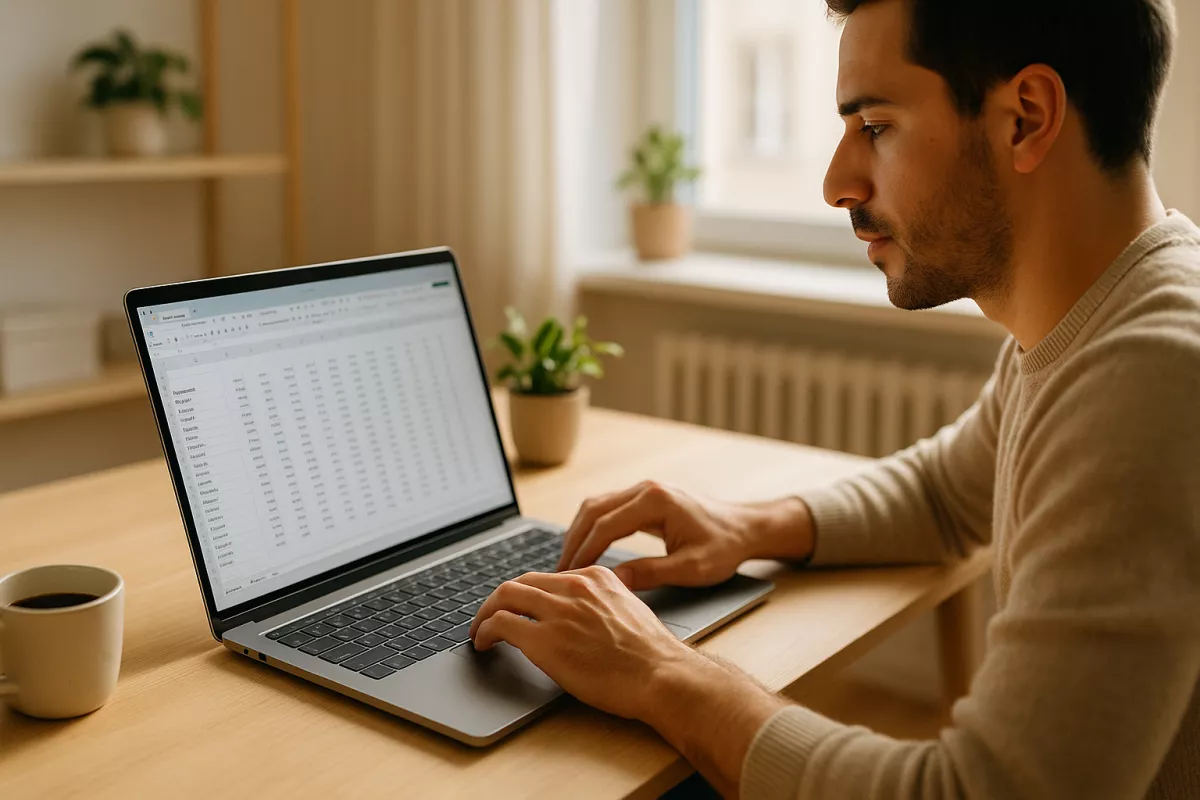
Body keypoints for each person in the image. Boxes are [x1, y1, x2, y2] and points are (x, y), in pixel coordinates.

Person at [468, 0, 1200, 796]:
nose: (835, 183)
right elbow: (945, 493)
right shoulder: (1104, 311)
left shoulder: (1150, 378)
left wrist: (660, 671)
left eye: (875, 127)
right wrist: (744, 524)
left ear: (1025, 118)